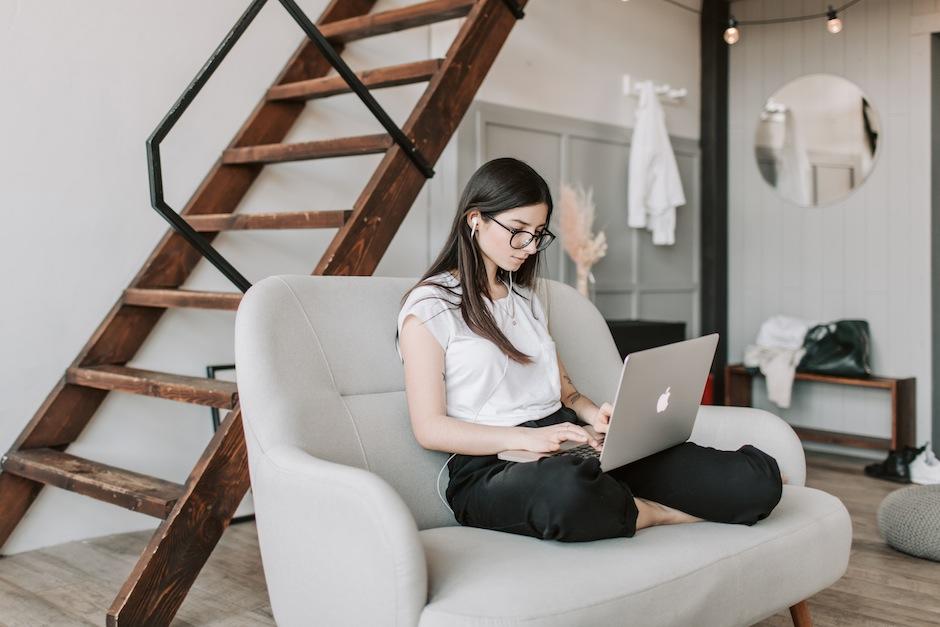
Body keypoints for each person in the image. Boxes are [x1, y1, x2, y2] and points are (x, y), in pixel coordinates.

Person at [395, 157, 783, 542]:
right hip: (492, 468)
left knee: (752, 481)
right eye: (518, 230)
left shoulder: (526, 299)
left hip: (568, 444)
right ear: (474, 219)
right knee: (569, 492)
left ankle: (623, 501)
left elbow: (569, 393)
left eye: (538, 233)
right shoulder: (430, 308)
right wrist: (521, 438)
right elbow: (429, 428)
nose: (529, 246)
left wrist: (598, 418)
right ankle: (655, 513)